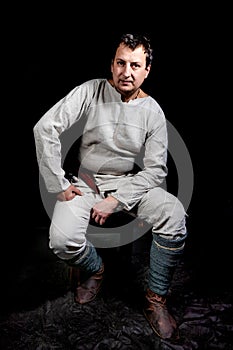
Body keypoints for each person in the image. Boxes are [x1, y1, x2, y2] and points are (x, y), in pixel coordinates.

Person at [33, 33, 188, 340]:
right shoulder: (91, 91)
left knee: (173, 212)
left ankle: (156, 299)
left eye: (135, 65)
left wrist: (116, 200)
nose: (126, 72)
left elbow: (156, 170)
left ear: (147, 71)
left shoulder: (153, 111)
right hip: (86, 183)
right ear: (112, 64)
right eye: (120, 63)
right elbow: (45, 128)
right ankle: (94, 269)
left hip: (129, 184)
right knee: (61, 241)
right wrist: (58, 184)